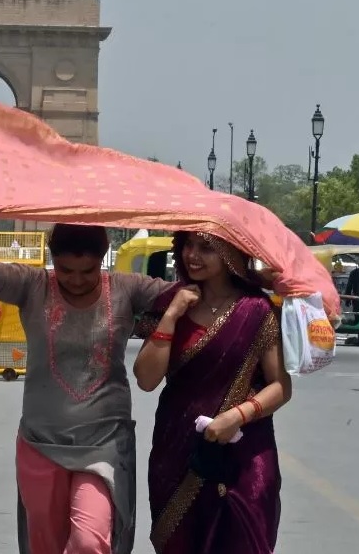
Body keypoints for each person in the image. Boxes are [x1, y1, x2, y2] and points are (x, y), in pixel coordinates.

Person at [0, 214, 173, 554]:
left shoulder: (126, 289)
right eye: (65, 270)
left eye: (87, 271)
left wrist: (249, 278)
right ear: (52, 258)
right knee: (45, 545)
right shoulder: (33, 286)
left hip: (104, 443)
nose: (76, 280)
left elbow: (188, 293)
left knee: (90, 541)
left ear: (102, 256)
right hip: (41, 442)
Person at [132, 231, 291, 554]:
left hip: (245, 449)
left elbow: (281, 386)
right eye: (187, 245)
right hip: (178, 446)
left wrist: (237, 416)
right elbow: (146, 380)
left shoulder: (256, 309)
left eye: (206, 248)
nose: (192, 255)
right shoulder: (171, 303)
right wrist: (172, 316)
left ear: (229, 253)